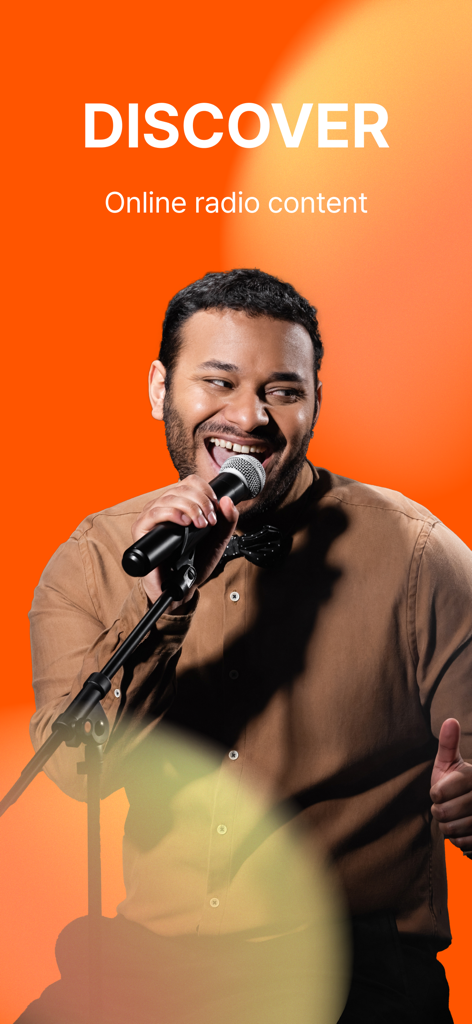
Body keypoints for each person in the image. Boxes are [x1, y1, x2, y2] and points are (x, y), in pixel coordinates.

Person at [21, 269, 472, 1024]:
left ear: (316, 401)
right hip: (154, 966)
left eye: (283, 390)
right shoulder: (97, 558)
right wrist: (162, 604)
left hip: (352, 967)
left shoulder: (423, 558)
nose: (249, 416)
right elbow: (76, 771)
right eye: (219, 381)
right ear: (160, 389)